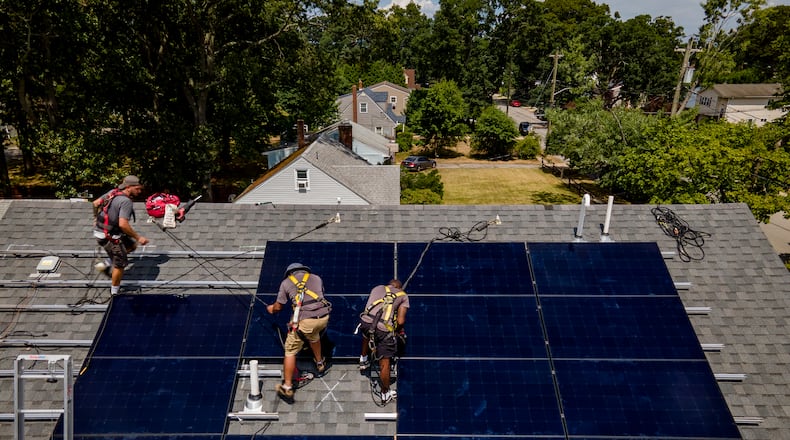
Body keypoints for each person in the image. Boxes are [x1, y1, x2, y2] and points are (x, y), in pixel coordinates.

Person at [267, 262, 332, 404]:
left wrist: (271, 309)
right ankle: (320, 363)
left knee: (289, 350)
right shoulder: (316, 278)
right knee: (313, 336)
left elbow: (278, 307)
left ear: (290, 274)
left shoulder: (286, 283)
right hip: (323, 318)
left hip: (307, 322)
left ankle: (287, 386)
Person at [92, 175, 150, 296]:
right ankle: (114, 292)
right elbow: (123, 224)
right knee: (120, 264)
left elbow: (95, 203)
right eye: (137, 189)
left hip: (101, 231)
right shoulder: (126, 201)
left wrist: (95, 217)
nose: (139, 192)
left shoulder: (113, 192)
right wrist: (139, 237)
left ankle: (106, 262)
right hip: (109, 237)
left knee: (131, 246)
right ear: (129, 187)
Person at [358, 279, 409, 405]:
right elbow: (401, 321)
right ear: (400, 288)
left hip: (365, 321)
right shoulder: (403, 296)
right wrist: (396, 330)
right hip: (383, 330)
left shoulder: (377, 288)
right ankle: (385, 393)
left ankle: (363, 359)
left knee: (367, 333)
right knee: (385, 362)